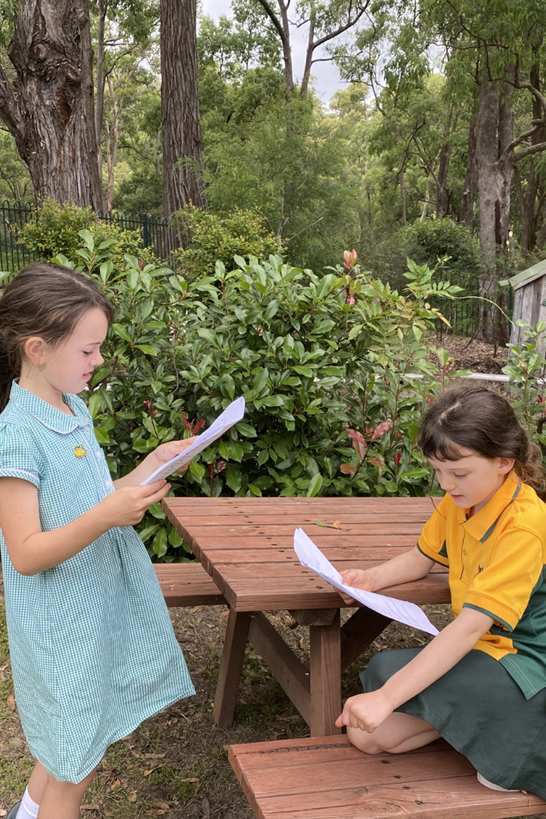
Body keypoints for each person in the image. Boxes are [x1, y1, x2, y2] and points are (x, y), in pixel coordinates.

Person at [0, 264, 196, 819]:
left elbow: (88, 498)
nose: (99, 360)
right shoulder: (16, 434)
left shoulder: (71, 408)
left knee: (66, 741)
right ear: (37, 348)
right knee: (74, 763)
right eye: (89, 350)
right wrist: (108, 516)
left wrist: (147, 468)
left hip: (92, 609)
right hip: (59, 626)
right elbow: (25, 551)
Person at [335, 382, 546, 798]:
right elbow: (423, 556)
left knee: (383, 701)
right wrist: (371, 578)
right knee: (376, 701)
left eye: (458, 472)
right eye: (436, 470)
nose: (446, 484)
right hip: (484, 651)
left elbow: (468, 628)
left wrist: (386, 700)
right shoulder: (465, 497)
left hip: (524, 662)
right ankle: (483, 726)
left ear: (504, 461)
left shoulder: (525, 526)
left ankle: (511, 743)